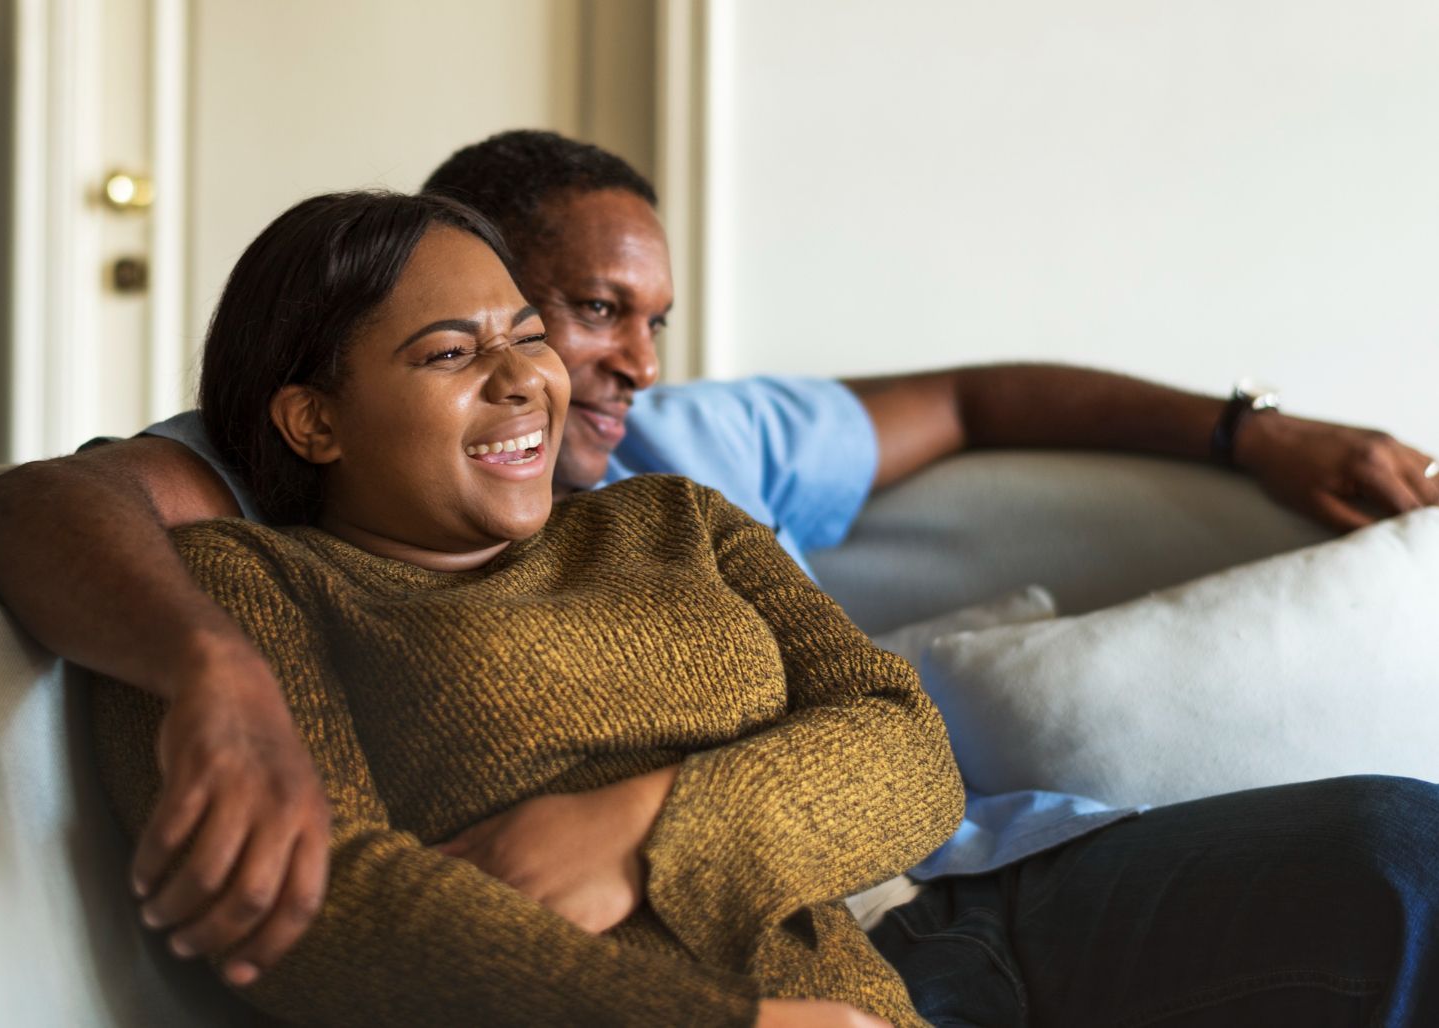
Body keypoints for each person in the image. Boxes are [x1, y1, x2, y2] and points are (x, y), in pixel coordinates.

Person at [0, 129, 1439, 986]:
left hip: (960, 877)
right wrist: (207, 667)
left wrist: (1254, 433)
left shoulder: (691, 483)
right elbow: (33, 505)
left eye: (608, 330)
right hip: (765, 974)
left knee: (1400, 850)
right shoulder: (273, 523)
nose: (619, 369)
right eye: (583, 310)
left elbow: (976, 430)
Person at [91, 189, 962, 1027]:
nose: (523, 381)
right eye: (450, 353)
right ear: (314, 422)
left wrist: (644, 835)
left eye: (532, 337)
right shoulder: (243, 583)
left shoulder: (676, 519)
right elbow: (313, 911)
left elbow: (912, 751)